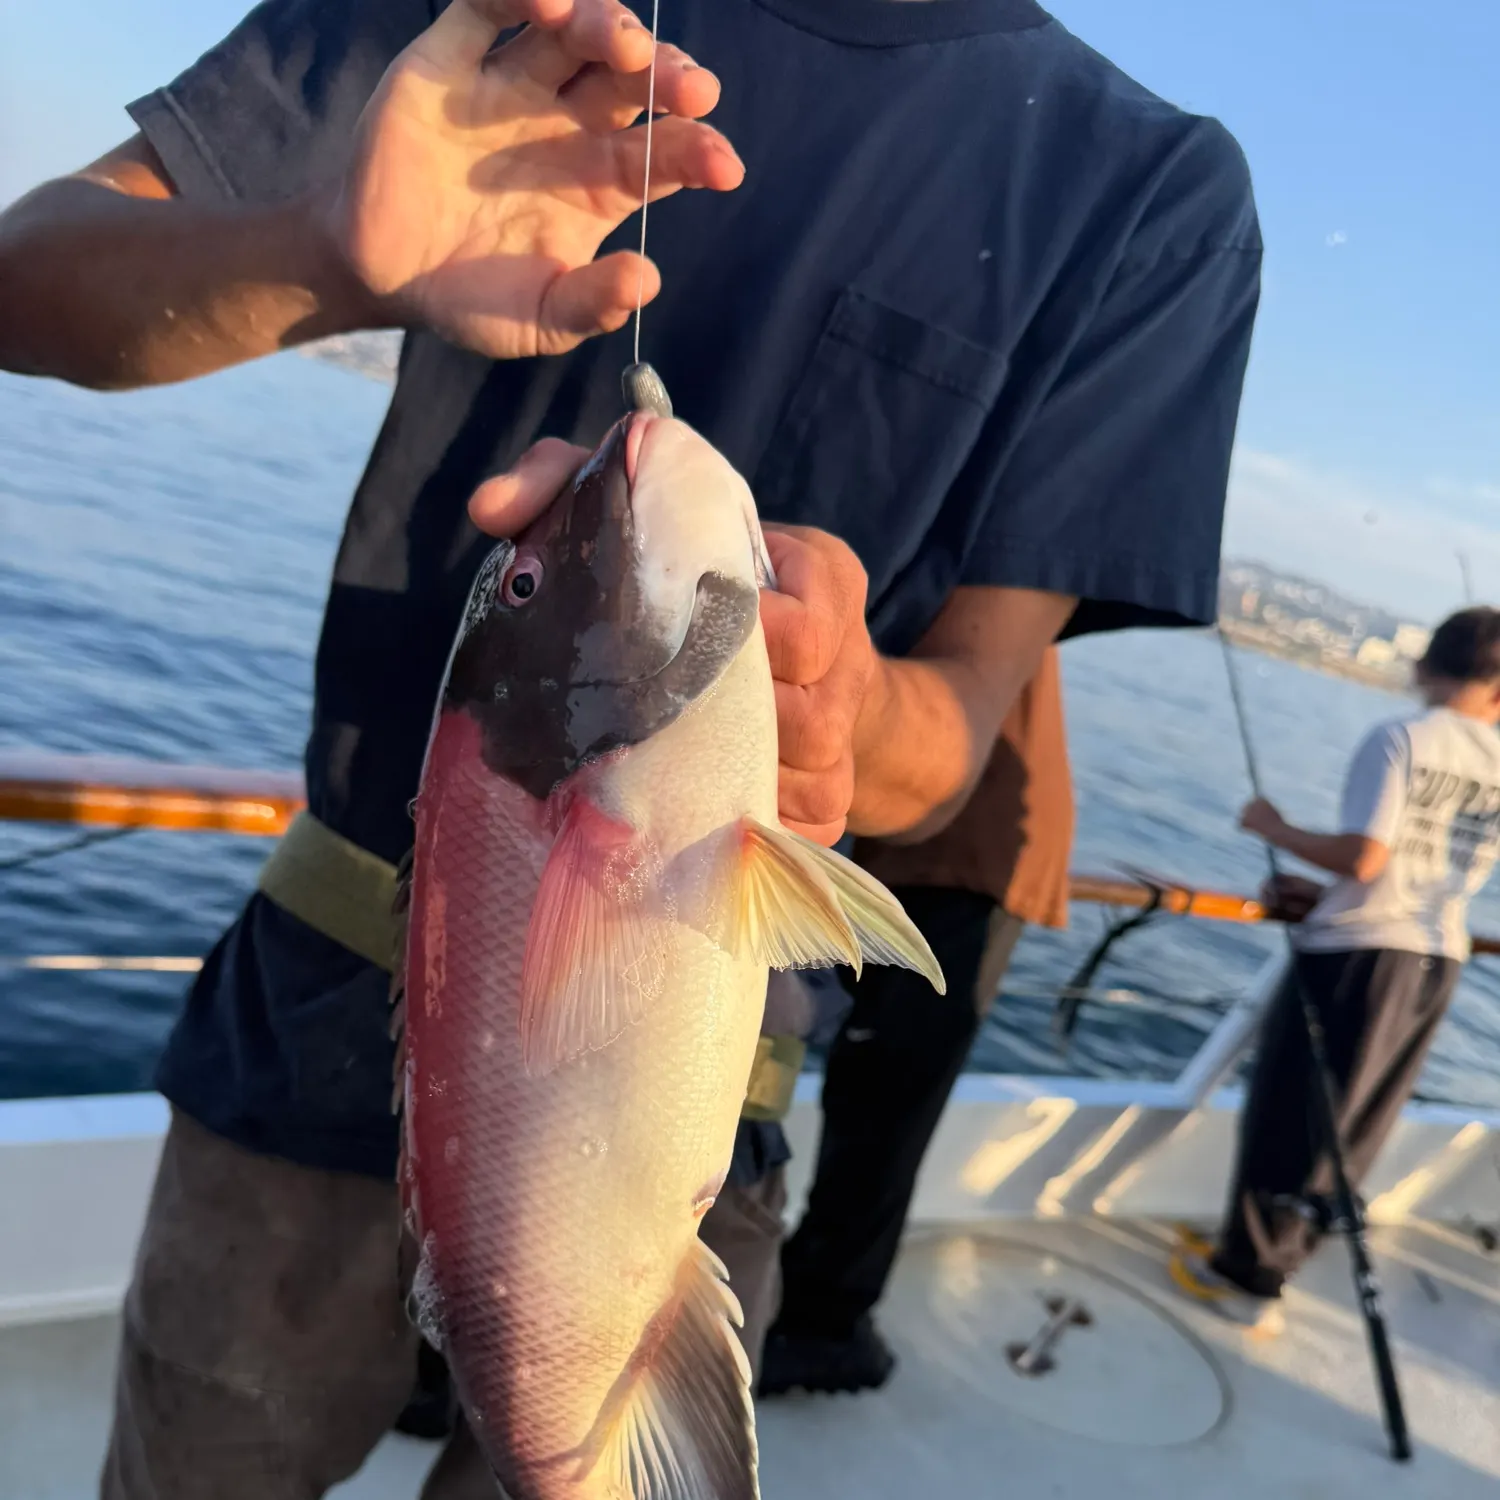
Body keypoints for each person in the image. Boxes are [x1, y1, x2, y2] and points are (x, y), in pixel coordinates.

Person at [0, 0, 1260, 1489]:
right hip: (312, 993)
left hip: (702, 1081)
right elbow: (28, 284)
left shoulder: (1149, 191)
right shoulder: (523, 15)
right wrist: (320, 251)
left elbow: (952, 739)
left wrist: (849, 703)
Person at [1171, 607, 1500, 1335]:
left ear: (1424, 665)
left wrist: (1271, 827)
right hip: (1438, 959)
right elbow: (1423, 873)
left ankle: (1245, 1273)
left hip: (1357, 953)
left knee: (1292, 1108)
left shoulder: (1403, 738)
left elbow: (1367, 858)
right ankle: (1286, 1252)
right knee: (1357, 1121)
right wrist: (1329, 891)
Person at [761, 646, 1074, 1394]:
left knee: (883, 1103)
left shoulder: (957, 578)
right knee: (873, 1096)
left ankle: (829, 1327)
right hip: (947, 861)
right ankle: (819, 1300)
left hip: (954, 866)